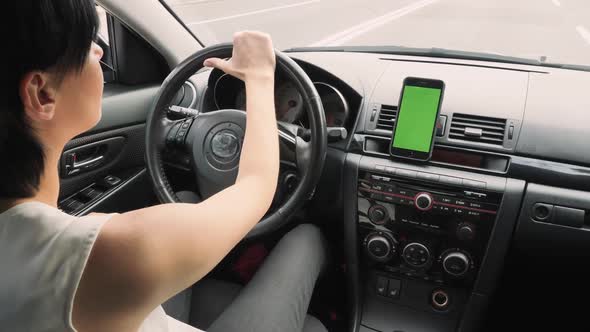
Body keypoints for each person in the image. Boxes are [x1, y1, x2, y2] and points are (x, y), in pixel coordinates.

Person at [0, 1, 327, 331]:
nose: (100, 52)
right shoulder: (110, 253)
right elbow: (256, 186)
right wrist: (259, 75)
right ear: (42, 94)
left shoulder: (90, 247)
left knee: (185, 199)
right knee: (307, 240)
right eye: (88, 43)